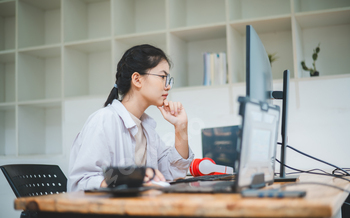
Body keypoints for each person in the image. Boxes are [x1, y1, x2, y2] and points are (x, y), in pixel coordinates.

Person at [68, 44, 194, 192]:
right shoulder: (104, 120)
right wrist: (131, 178)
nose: (168, 86)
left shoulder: (146, 127)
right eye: (162, 77)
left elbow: (172, 174)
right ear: (137, 79)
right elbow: (81, 182)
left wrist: (181, 128)